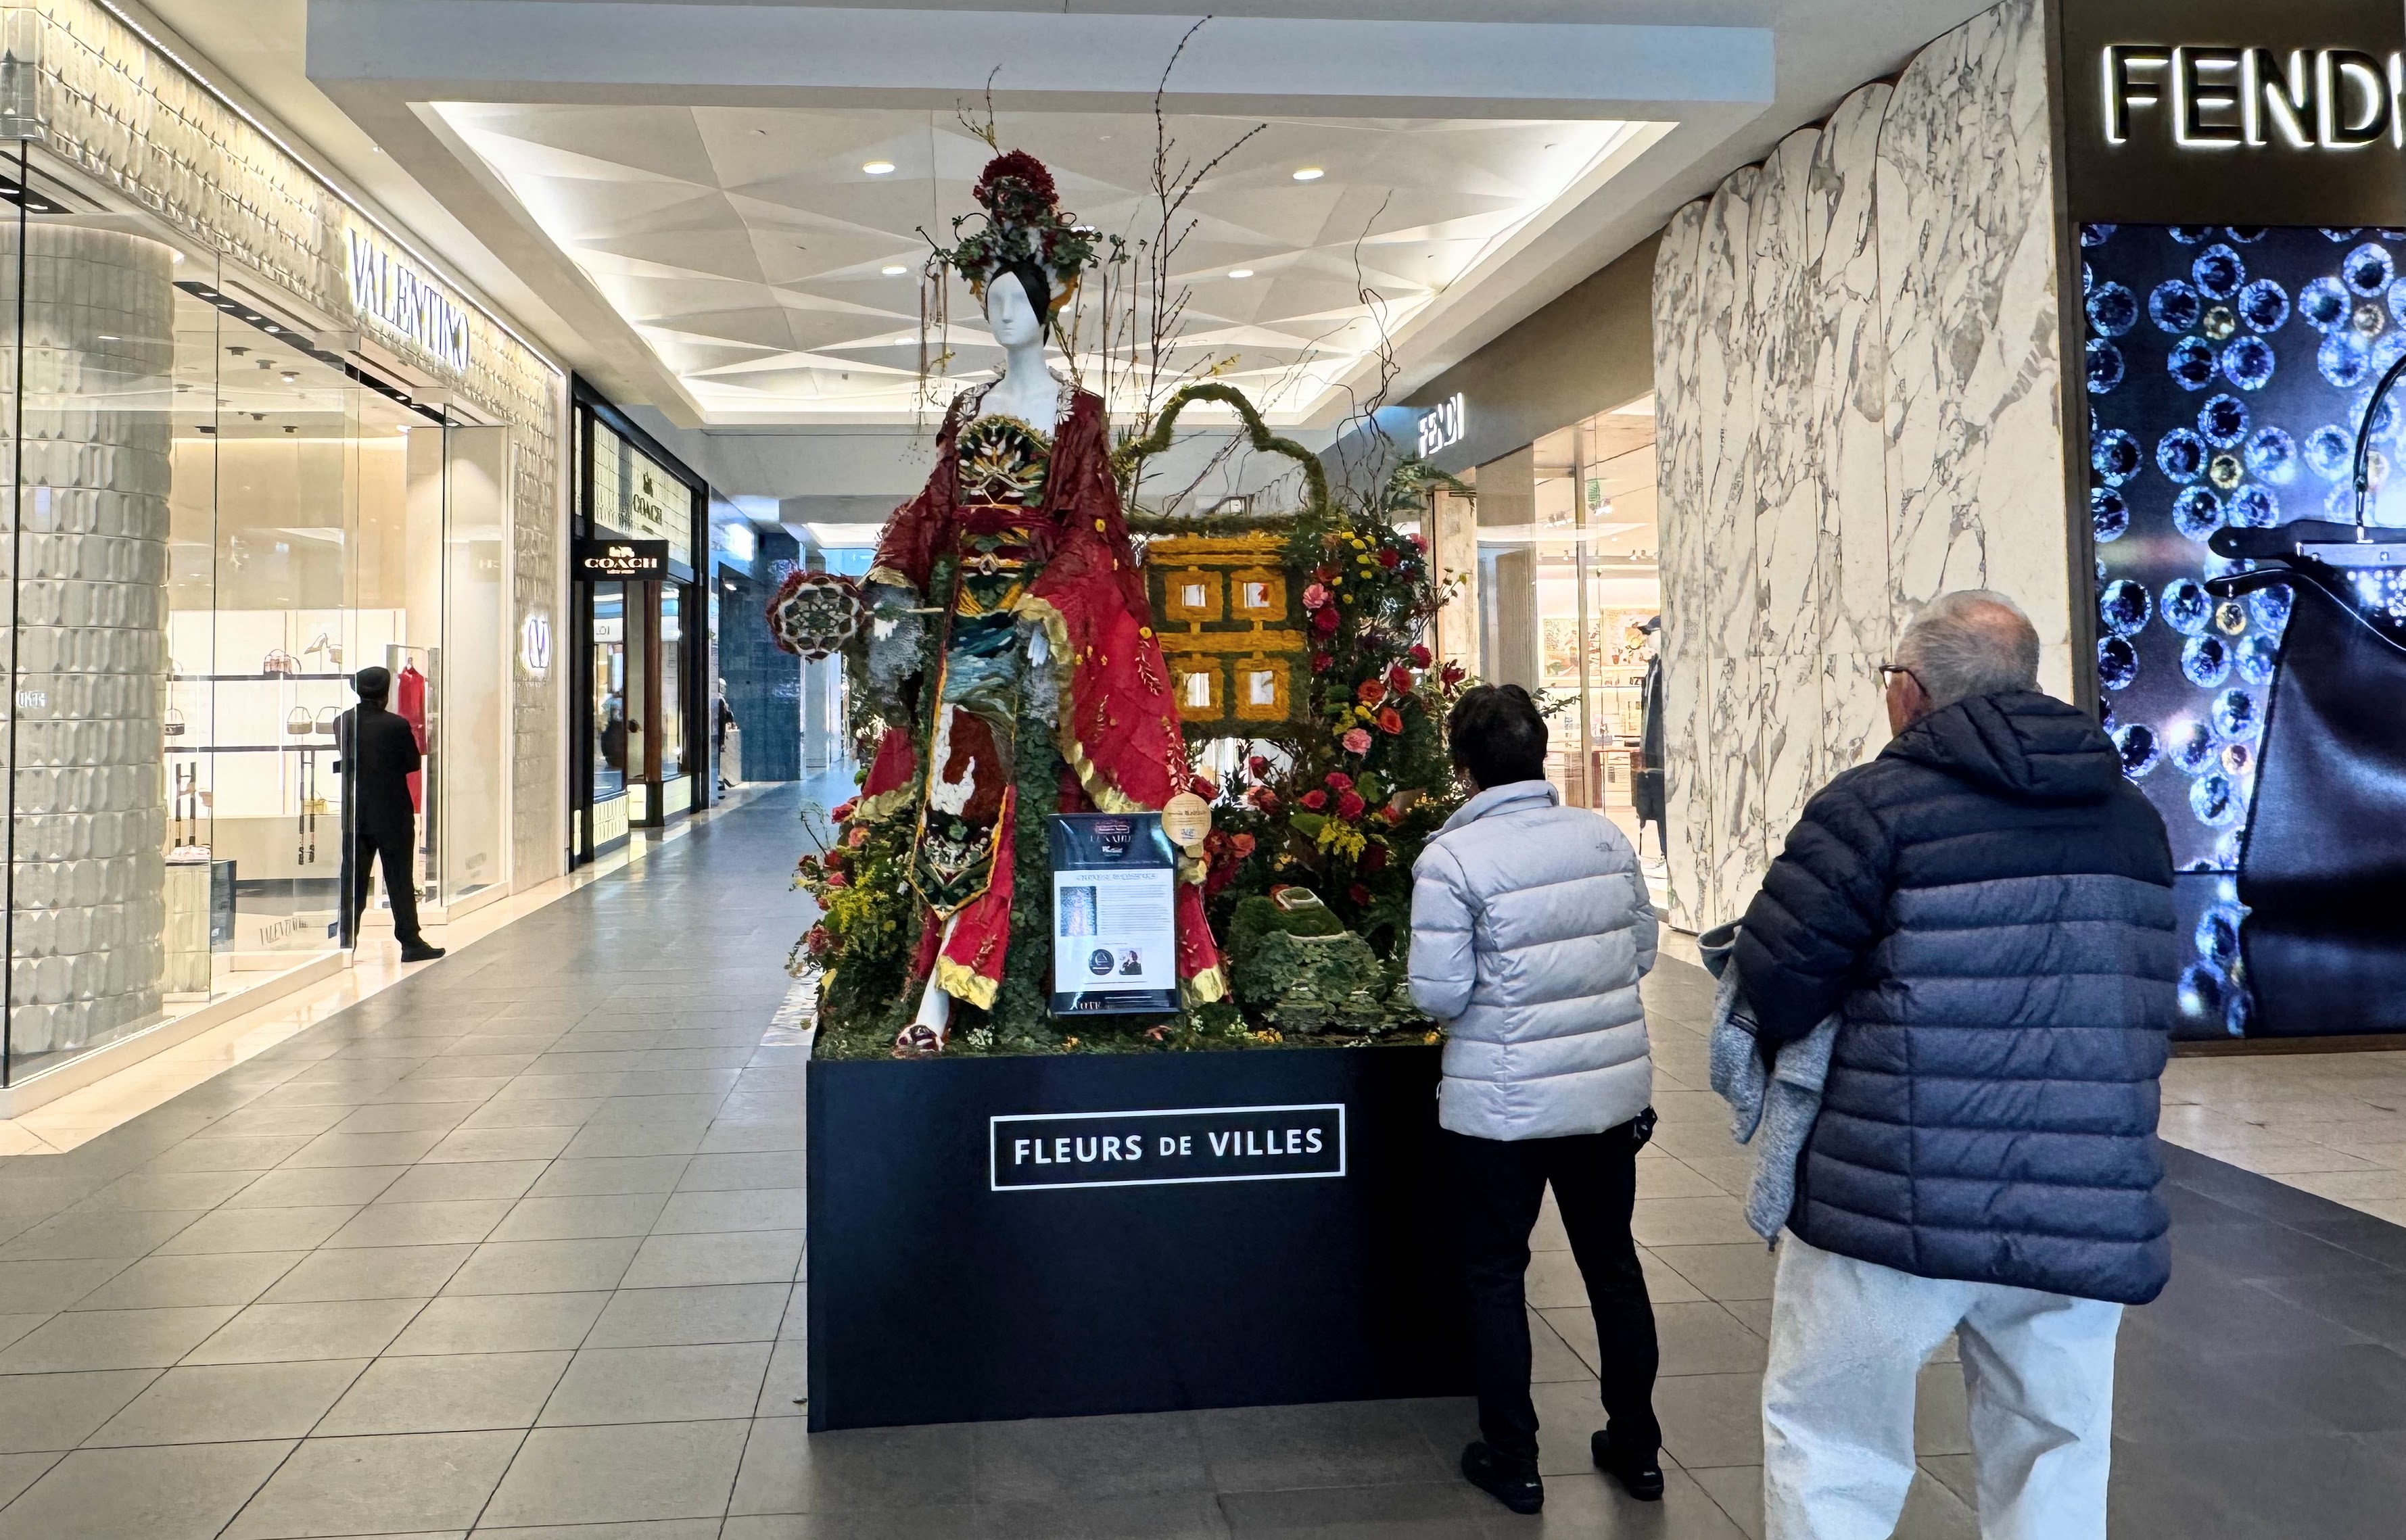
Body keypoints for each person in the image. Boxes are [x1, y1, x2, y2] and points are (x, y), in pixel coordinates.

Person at [1732, 590, 2175, 1540]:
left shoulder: (1870, 808)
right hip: (2080, 1194)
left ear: (1908, 694)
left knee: (1833, 1445)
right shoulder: (2129, 817)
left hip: (1890, 1190)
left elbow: (1776, 980)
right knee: (2055, 1449)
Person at [1409, 682, 1664, 1516]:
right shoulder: (1602, 837)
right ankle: (1637, 1447)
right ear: (1540, 753)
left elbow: (1438, 994)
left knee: (1493, 1275)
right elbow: (1640, 951)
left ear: (1464, 766)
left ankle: (1513, 1458)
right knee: (1613, 1267)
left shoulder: (1451, 860)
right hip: (1602, 1097)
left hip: (1502, 1110)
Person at [335, 666, 445, 964]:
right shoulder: (396, 725)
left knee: (353, 878)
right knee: (399, 879)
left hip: (356, 812)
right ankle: (410, 941)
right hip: (393, 811)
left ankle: (346, 940)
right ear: (385, 694)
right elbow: (412, 763)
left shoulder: (343, 721)